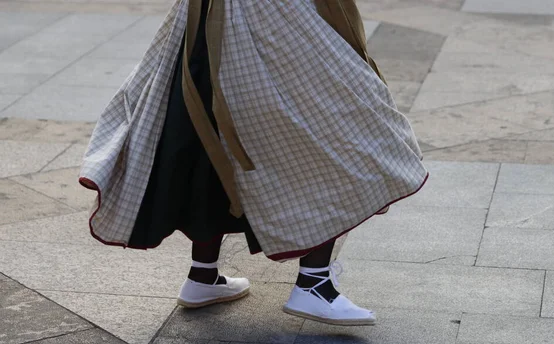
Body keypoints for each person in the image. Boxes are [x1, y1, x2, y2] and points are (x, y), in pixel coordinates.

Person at [79, 0, 428, 326]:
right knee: (328, 132)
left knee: (208, 133)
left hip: (206, 20)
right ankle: (314, 283)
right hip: (268, 16)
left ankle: (203, 274)